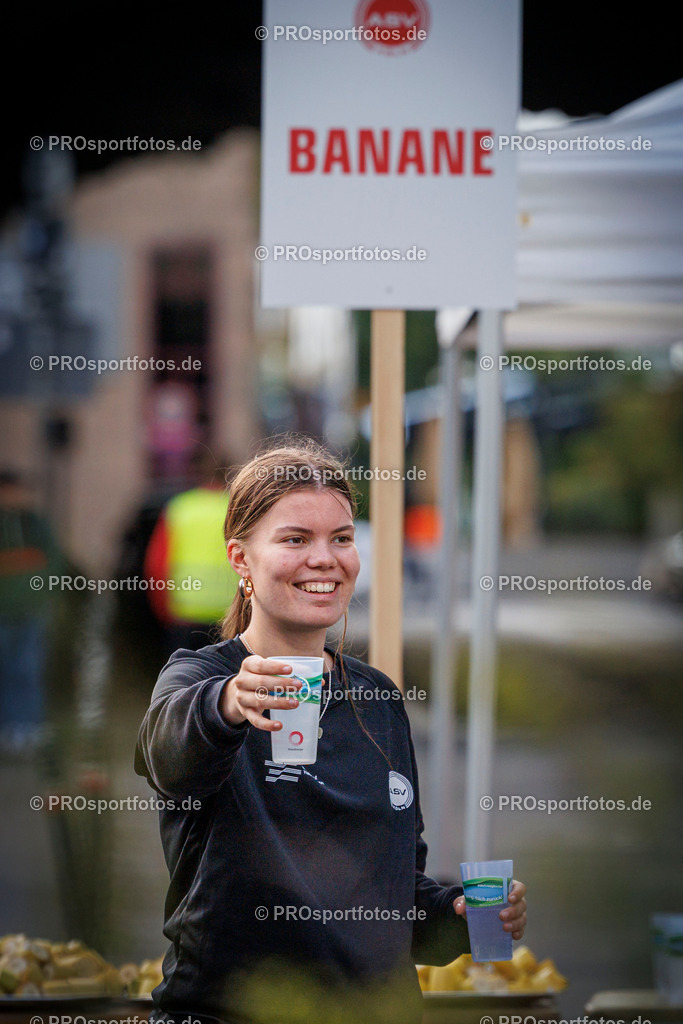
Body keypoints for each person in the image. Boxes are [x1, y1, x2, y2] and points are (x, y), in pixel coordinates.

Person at [135, 438, 527, 1024]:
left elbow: (393, 896)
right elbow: (169, 757)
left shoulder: (378, 698)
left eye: (341, 538)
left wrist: (457, 915)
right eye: (296, 539)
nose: (325, 558)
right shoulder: (200, 680)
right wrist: (230, 703)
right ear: (241, 559)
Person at [143, 449, 240, 655]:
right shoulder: (239, 510)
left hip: (186, 616)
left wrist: (163, 611)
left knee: (184, 673)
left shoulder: (179, 508)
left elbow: (157, 566)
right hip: (231, 617)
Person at [0, 469, 65, 754]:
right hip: (4, 612)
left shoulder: (35, 525)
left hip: (31, 611)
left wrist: (45, 595)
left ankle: (30, 726)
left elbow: (54, 563)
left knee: (28, 669)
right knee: (7, 671)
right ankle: (8, 728)